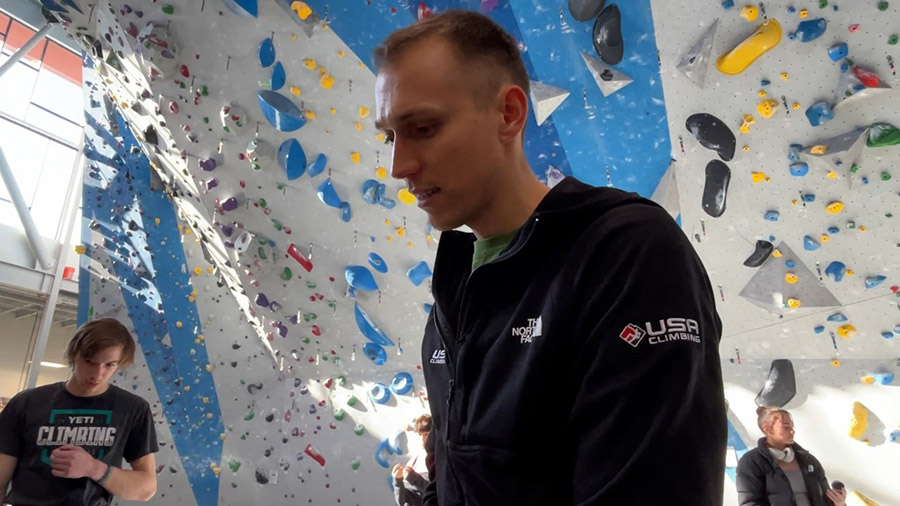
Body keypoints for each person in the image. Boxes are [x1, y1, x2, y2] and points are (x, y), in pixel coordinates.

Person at [374, 10, 726, 506]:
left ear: (510, 114)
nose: (399, 166)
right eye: (389, 136)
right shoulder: (454, 290)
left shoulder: (624, 254)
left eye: (424, 127)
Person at [0, 318, 159, 504]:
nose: (97, 374)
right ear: (74, 355)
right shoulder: (27, 402)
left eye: (110, 365)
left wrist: (94, 468)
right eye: (89, 361)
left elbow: (145, 488)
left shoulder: (132, 409)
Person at [736, 407, 847, 506]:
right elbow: (749, 502)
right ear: (768, 429)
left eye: (792, 426)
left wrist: (839, 503)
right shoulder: (751, 462)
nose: (792, 431)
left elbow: (826, 499)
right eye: (786, 427)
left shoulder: (808, 460)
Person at [393, 414, 435, 506]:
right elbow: (402, 502)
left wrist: (415, 479)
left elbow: (440, 495)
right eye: (420, 434)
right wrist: (397, 481)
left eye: (426, 434)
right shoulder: (414, 461)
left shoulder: (442, 459)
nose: (423, 439)